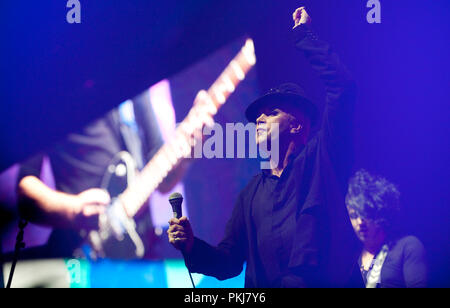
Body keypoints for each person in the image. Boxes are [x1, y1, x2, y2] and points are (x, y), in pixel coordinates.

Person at [167, 7, 360, 287]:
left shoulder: (321, 159)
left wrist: (304, 36)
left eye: (271, 112)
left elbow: (342, 87)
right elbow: (228, 263)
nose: (259, 118)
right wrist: (191, 245)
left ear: (296, 125)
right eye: (259, 114)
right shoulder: (250, 194)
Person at [16, 91, 188, 259]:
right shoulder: (53, 93)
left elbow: (164, 181)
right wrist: (74, 211)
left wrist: (186, 157)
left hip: (144, 252)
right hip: (83, 251)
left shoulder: (138, 86)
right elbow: (26, 189)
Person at [346, 169, 428, 288]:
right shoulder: (352, 257)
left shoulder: (408, 246)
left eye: (365, 214)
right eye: (353, 216)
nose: (360, 222)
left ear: (379, 212)